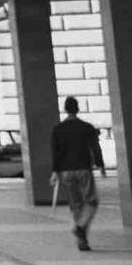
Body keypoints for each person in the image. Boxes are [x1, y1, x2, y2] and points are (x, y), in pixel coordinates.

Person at [50, 96, 105, 251]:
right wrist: (100, 165)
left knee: (76, 205)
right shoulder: (86, 127)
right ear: (77, 108)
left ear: (65, 109)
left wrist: (55, 171)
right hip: (83, 169)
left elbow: (55, 152)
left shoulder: (58, 129)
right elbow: (95, 147)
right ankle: (80, 227)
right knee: (92, 201)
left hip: (66, 171)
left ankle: (82, 240)